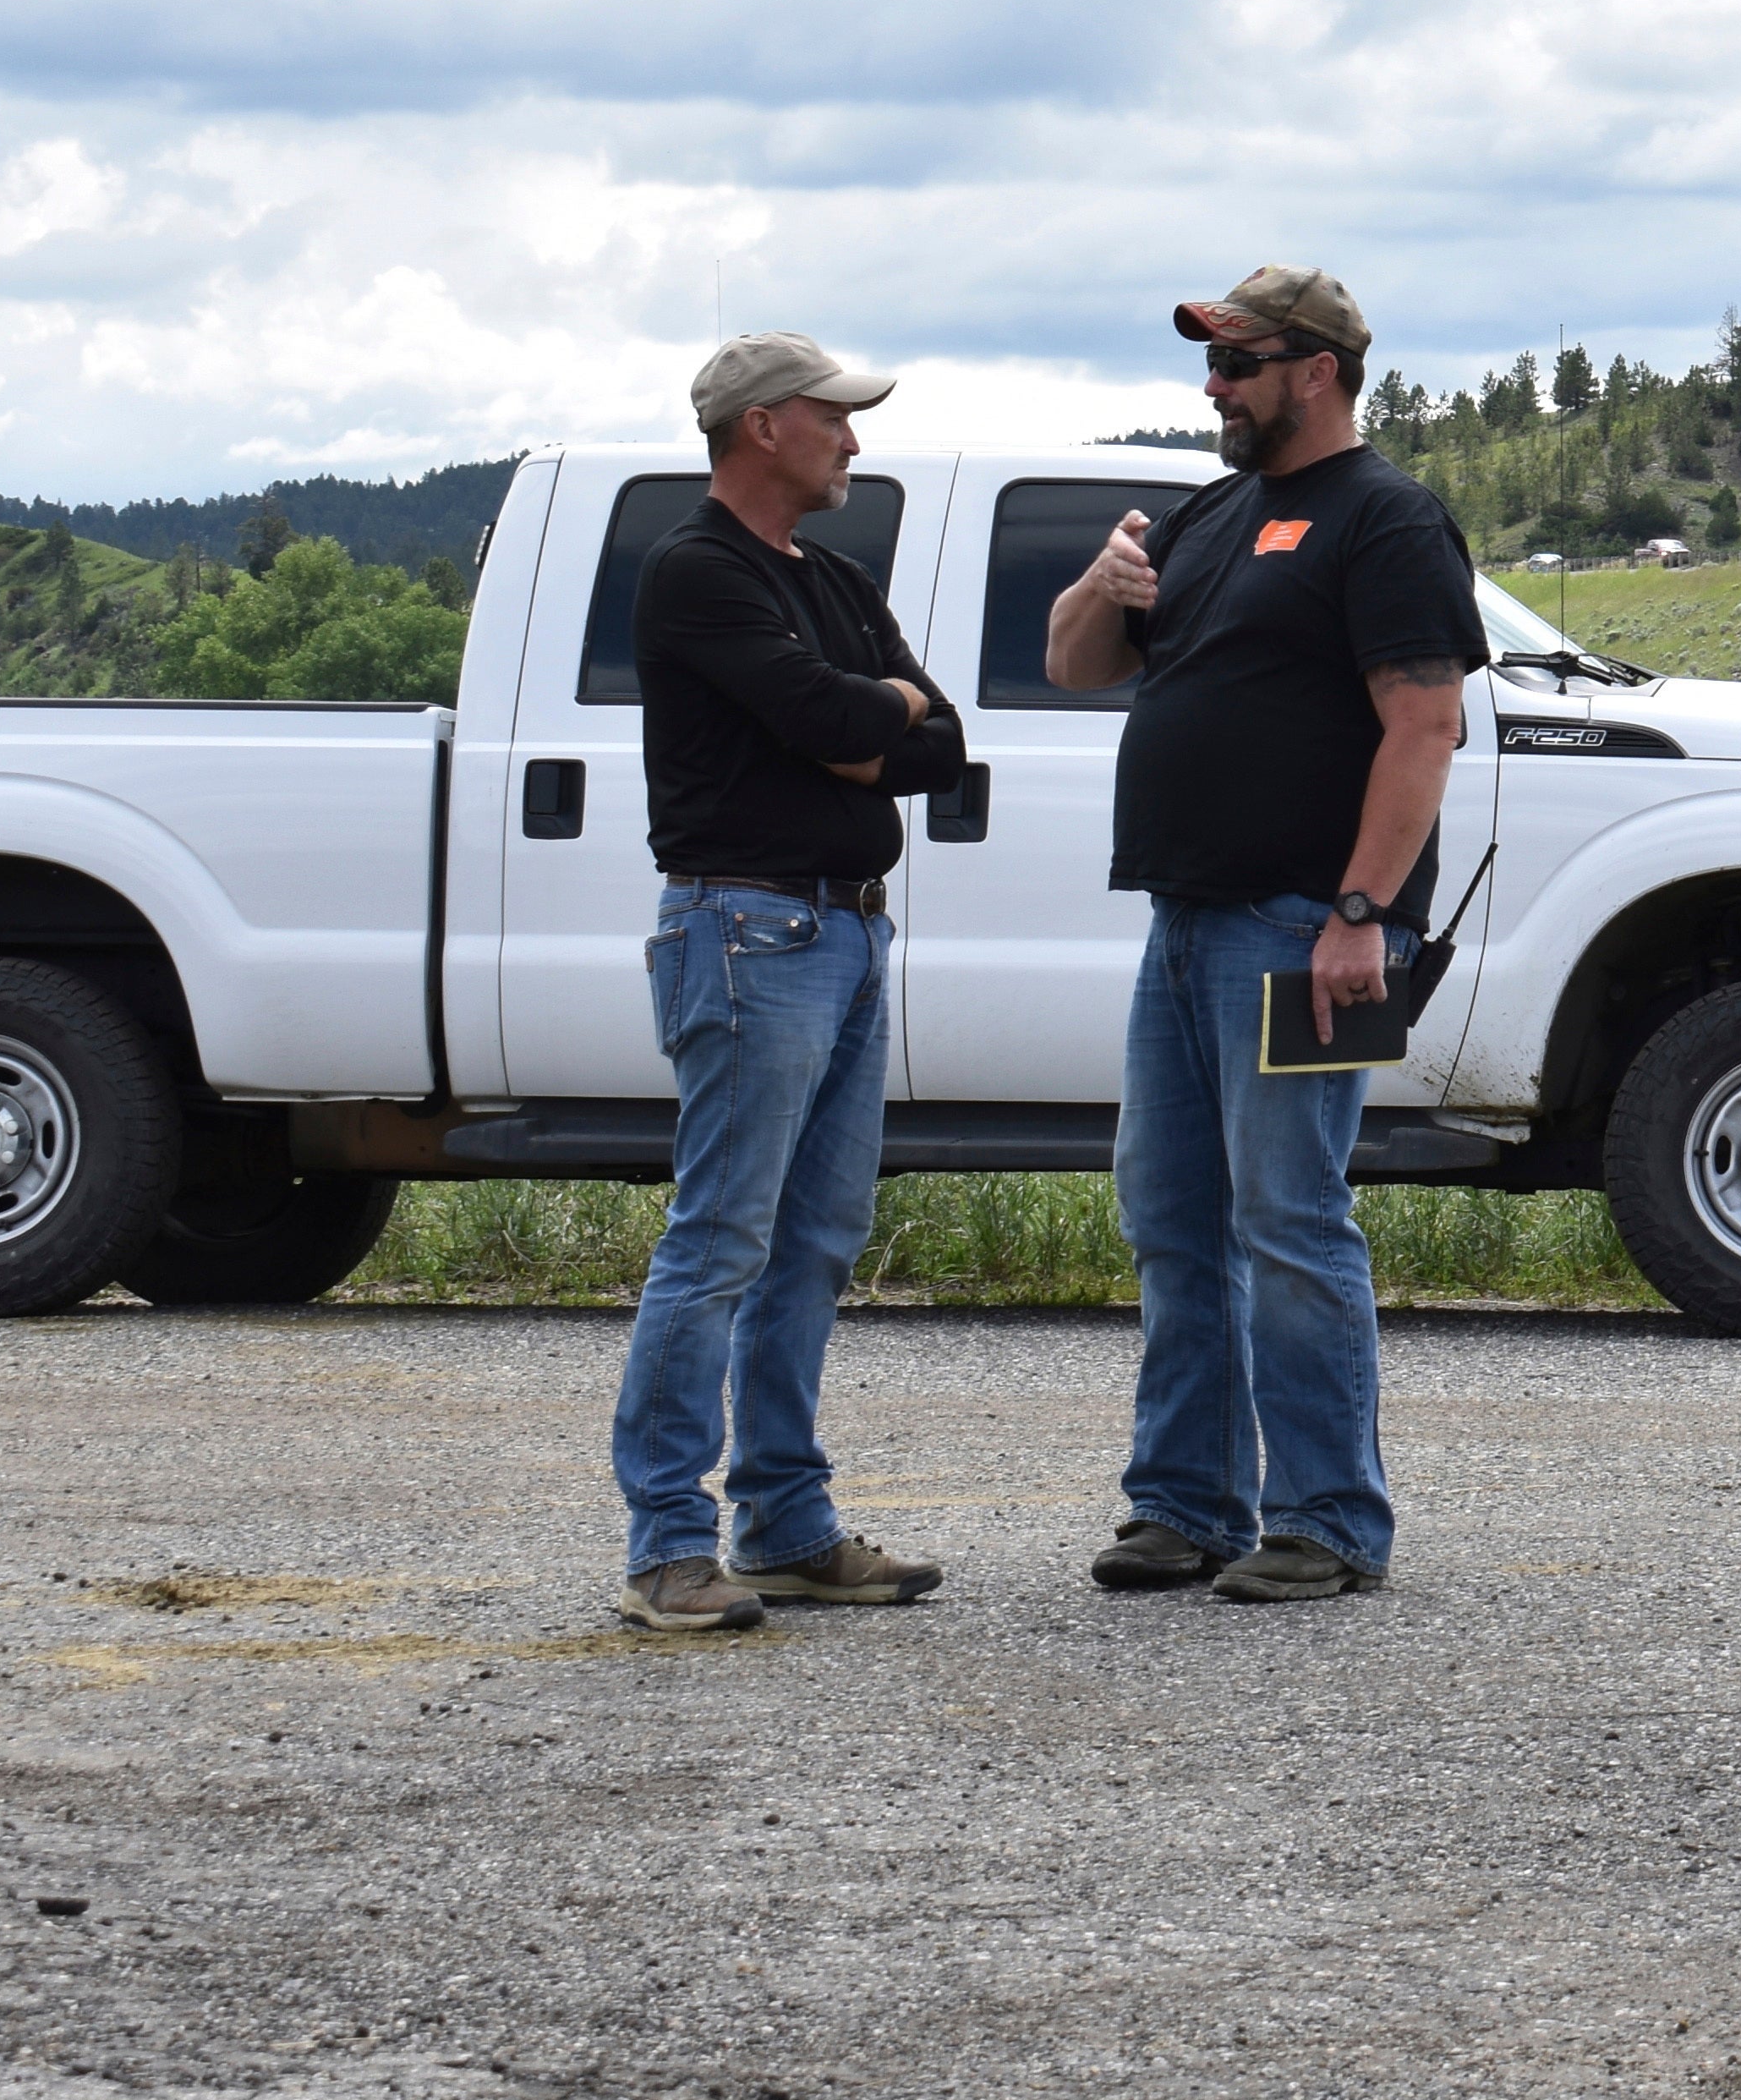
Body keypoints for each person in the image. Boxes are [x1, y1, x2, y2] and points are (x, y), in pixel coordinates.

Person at [1044, 264, 1482, 1606]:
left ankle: (1329, 1518)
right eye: (1213, 364)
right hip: (1184, 927)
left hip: (1301, 933)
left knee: (1289, 1219)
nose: (1217, 387)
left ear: (1321, 370)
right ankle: (1184, 1507)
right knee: (1175, 1219)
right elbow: (1078, 667)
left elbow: (1424, 726)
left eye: (1242, 363)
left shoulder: (1389, 520)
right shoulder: (1211, 515)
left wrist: (1361, 913)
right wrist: (1100, 585)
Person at [613, 332, 971, 1633]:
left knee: (813, 1244)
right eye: (836, 420)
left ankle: (784, 1525)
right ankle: (667, 1548)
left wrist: (861, 718)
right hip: (747, 934)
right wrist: (863, 718)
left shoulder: (828, 579)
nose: (854, 443)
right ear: (762, 427)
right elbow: (842, 724)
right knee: (719, 1243)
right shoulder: (696, 575)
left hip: (846, 937)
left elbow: (942, 746)